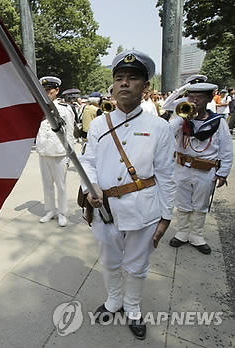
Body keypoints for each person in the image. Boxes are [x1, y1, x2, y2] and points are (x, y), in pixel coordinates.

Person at [78, 50, 176, 340]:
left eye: (132, 78)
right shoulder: (98, 124)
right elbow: (89, 163)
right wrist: (90, 187)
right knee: (109, 260)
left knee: (137, 264)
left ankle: (132, 307)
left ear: (145, 86)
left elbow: (167, 175)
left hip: (144, 208)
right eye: (119, 78)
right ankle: (113, 301)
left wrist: (166, 216)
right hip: (105, 208)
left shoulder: (159, 127)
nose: (124, 83)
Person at [168, 83, 233, 254]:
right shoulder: (182, 120)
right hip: (182, 168)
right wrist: (181, 117)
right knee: (182, 203)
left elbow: (226, 149)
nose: (194, 101)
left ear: (209, 99)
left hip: (205, 170)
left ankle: (196, 234)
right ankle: (182, 232)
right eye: (191, 97)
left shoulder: (218, 122)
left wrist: (223, 173)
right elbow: (167, 134)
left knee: (200, 204)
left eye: (199, 97)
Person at [36, 76, 75, 227]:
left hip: (59, 152)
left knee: (61, 185)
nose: (45, 93)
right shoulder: (39, 108)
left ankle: (62, 212)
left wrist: (69, 157)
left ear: (56, 90)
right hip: (44, 151)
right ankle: (50, 209)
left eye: (48, 91)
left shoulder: (64, 110)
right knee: (47, 184)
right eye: (43, 91)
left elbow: (69, 134)